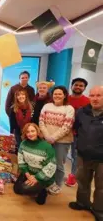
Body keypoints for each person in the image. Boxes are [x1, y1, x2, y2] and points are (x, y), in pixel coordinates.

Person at [69, 86, 103, 221]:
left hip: (101, 158)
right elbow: (76, 128)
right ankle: (82, 203)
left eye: (99, 96)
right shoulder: (82, 112)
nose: (95, 99)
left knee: (101, 186)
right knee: (82, 181)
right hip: (83, 154)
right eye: (92, 95)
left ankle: (99, 209)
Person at [39, 86, 75, 195]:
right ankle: (47, 183)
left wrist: (53, 138)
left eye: (60, 94)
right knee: (46, 163)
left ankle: (57, 185)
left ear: (65, 95)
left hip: (62, 142)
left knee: (58, 164)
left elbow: (66, 126)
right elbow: (41, 122)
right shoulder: (47, 106)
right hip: (46, 139)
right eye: (55, 94)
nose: (57, 96)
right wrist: (47, 136)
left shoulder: (69, 108)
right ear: (52, 95)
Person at [14, 123, 56, 205]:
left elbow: (51, 166)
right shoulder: (23, 144)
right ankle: (32, 185)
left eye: (33, 131)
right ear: (25, 134)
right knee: (18, 190)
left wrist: (37, 178)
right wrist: (27, 174)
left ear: (37, 131)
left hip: (41, 176)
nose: (30, 134)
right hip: (29, 173)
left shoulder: (47, 146)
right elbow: (21, 160)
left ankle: (43, 190)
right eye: (28, 132)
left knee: (26, 189)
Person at [65, 78, 90, 187]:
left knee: (75, 156)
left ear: (84, 88)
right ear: (72, 86)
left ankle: (72, 176)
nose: (78, 87)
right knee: (61, 155)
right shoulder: (66, 99)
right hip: (64, 132)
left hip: (79, 134)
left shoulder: (87, 101)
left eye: (81, 85)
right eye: (76, 85)